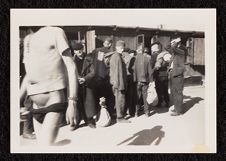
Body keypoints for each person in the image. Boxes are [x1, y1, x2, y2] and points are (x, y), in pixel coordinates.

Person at [20, 26, 79, 146]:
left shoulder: (56, 32)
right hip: (35, 106)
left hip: (53, 101)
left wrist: (72, 103)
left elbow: (71, 67)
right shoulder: (28, 39)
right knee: (42, 146)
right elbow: (28, 75)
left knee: (45, 147)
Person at [72, 42, 97, 129]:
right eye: (76, 50)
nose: (78, 51)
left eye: (80, 49)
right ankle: (77, 121)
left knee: (88, 103)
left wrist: (85, 79)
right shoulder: (72, 60)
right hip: (76, 84)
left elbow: (93, 72)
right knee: (77, 103)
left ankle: (89, 121)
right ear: (74, 51)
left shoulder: (89, 58)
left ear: (83, 49)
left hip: (87, 84)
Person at [92, 38, 115, 117]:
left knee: (98, 96)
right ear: (110, 44)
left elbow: (96, 63)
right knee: (109, 96)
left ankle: (98, 113)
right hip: (106, 77)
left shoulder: (96, 51)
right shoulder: (110, 53)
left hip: (97, 76)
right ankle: (109, 113)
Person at [109, 40, 131, 123]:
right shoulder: (117, 57)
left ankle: (118, 114)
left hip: (115, 82)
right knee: (121, 99)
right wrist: (121, 85)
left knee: (117, 99)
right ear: (117, 48)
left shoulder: (114, 56)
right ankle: (120, 117)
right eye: (121, 48)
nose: (122, 50)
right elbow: (119, 72)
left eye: (123, 48)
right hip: (119, 83)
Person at [166, 35, 187, 116]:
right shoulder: (175, 52)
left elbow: (173, 47)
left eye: (173, 42)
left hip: (178, 75)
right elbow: (166, 47)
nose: (172, 44)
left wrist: (176, 41)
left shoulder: (182, 51)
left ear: (178, 43)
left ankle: (179, 111)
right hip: (172, 74)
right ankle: (176, 107)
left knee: (178, 93)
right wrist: (172, 42)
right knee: (173, 92)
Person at [133, 44, 154, 117]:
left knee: (137, 97)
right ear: (143, 50)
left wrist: (134, 79)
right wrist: (151, 81)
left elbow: (132, 70)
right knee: (145, 97)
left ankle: (136, 112)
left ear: (137, 50)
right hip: (145, 81)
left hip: (137, 81)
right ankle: (147, 112)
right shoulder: (147, 58)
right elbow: (150, 71)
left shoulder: (134, 59)